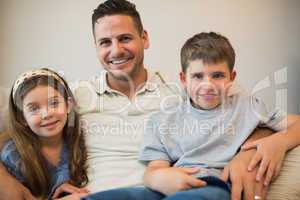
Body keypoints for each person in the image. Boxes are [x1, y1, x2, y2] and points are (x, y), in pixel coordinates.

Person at [0, 0, 287, 200]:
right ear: (96, 47)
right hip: (100, 196)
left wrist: (251, 152)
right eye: (105, 42)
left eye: (125, 38)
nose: (116, 50)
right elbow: (14, 130)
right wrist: (7, 183)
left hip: (165, 192)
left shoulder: (185, 90)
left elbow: (245, 114)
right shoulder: (73, 97)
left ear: (145, 38)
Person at [137, 32, 300, 200]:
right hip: (169, 186)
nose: (207, 86)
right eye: (198, 76)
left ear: (232, 77)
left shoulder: (248, 106)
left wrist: (279, 141)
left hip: (215, 185)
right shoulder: (164, 118)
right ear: (184, 79)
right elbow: (155, 167)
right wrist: (158, 178)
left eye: (217, 76)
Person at [0, 68, 89, 200]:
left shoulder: (75, 141)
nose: (47, 114)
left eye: (54, 103)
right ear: (22, 118)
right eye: (34, 109)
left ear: (68, 105)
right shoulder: (14, 156)